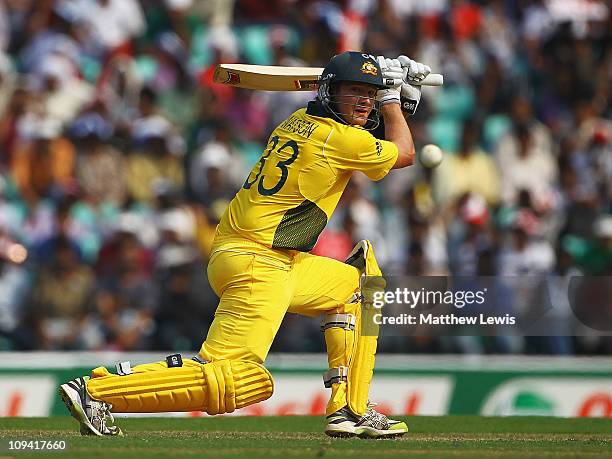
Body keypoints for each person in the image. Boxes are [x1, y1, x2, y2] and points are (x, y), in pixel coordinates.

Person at [59, 51, 430, 439]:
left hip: (266, 257)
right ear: (328, 92)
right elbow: (402, 153)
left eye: (369, 94)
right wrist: (392, 102)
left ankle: (349, 409)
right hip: (258, 262)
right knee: (239, 380)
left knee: (358, 285)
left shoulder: (298, 122)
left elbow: (368, 143)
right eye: (354, 92)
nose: (363, 102)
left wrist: (398, 103)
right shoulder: (340, 139)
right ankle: (97, 391)